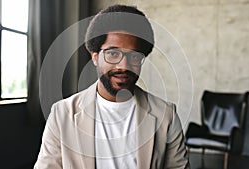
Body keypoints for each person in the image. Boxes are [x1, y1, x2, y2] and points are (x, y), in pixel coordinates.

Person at [34, 4, 190, 169]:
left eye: (134, 56)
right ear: (95, 57)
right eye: (113, 54)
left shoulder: (165, 115)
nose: (124, 66)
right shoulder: (62, 114)